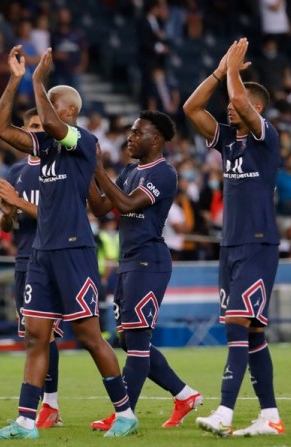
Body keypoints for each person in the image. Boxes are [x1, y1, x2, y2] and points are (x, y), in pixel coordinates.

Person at [0, 45, 136, 440]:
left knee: (89, 336)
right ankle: (25, 421)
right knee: (36, 335)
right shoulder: (46, 147)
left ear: (68, 112)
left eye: (51, 104)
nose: (43, 111)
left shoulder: (83, 140)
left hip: (73, 250)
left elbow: (49, 123)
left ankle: (125, 413)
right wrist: (15, 80)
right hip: (41, 253)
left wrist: (38, 80)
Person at [183, 38, 284, 438]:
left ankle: (225, 411)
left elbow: (239, 100)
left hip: (257, 243)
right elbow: (191, 109)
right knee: (253, 333)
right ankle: (270, 416)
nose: (229, 106)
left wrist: (233, 74)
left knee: (237, 325)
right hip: (230, 245)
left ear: (257, 109)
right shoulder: (228, 141)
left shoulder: (265, 137)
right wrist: (218, 72)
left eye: (237, 103)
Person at [87, 110, 203, 431]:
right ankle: (184, 395)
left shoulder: (164, 173)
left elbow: (126, 204)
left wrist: (98, 169)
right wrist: (88, 173)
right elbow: (100, 207)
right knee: (128, 340)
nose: (130, 137)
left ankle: (124, 414)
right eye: (131, 132)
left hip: (148, 262)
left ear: (156, 139)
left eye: (138, 133)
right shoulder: (129, 171)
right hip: (128, 262)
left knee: (137, 340)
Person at [0, 108, 64, 429]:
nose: (36, 131)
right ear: (22, 131)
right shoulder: (16, 171)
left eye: (40, 126)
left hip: (51, 259)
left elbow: (55, 216)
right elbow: (8, 226)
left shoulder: (57, 166)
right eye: (31, 126)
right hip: (23, 260)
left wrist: (18, 203)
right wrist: (7, 213)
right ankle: (47, 406)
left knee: (46, 335)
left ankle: (50, 404)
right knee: (34, 337)